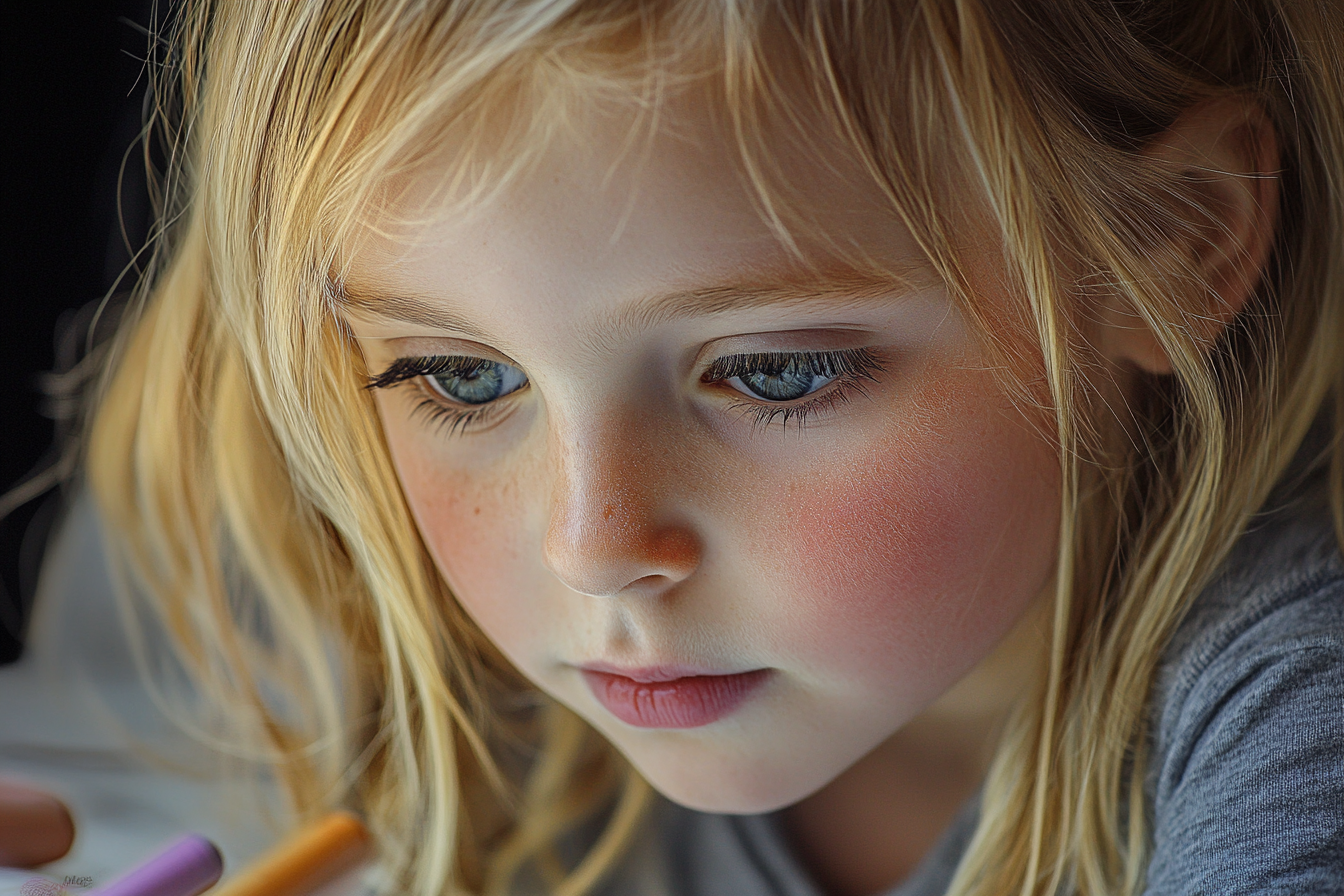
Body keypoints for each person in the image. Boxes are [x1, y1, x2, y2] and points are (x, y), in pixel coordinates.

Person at [19, 0, 1342, 894]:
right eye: (462, 376)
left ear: (1173, 247)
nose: (593, 550)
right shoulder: (350, 640)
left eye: (774, 370)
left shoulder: (1294, 718)